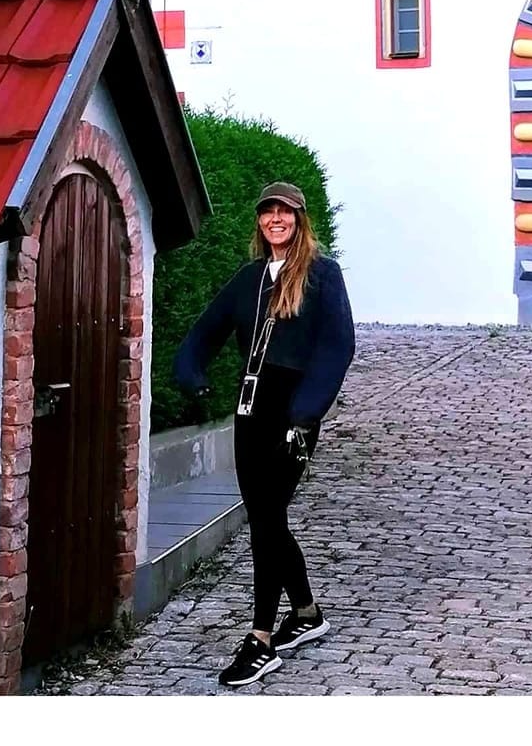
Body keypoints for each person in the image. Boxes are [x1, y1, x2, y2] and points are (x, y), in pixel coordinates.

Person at [174, 181, 355, 687]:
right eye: (268, 212)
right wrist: (191, 371)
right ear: (260, 221)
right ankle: (306, 612)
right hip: (250, 410)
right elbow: (204, 330)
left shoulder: (322, 275)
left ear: (300, 219)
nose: (276, 219)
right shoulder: (250, 278)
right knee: (264, 517)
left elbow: (338, 347)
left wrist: (305, 414)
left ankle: (261, 637)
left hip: (292, 412)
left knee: (266, 520)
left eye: (285, 212)